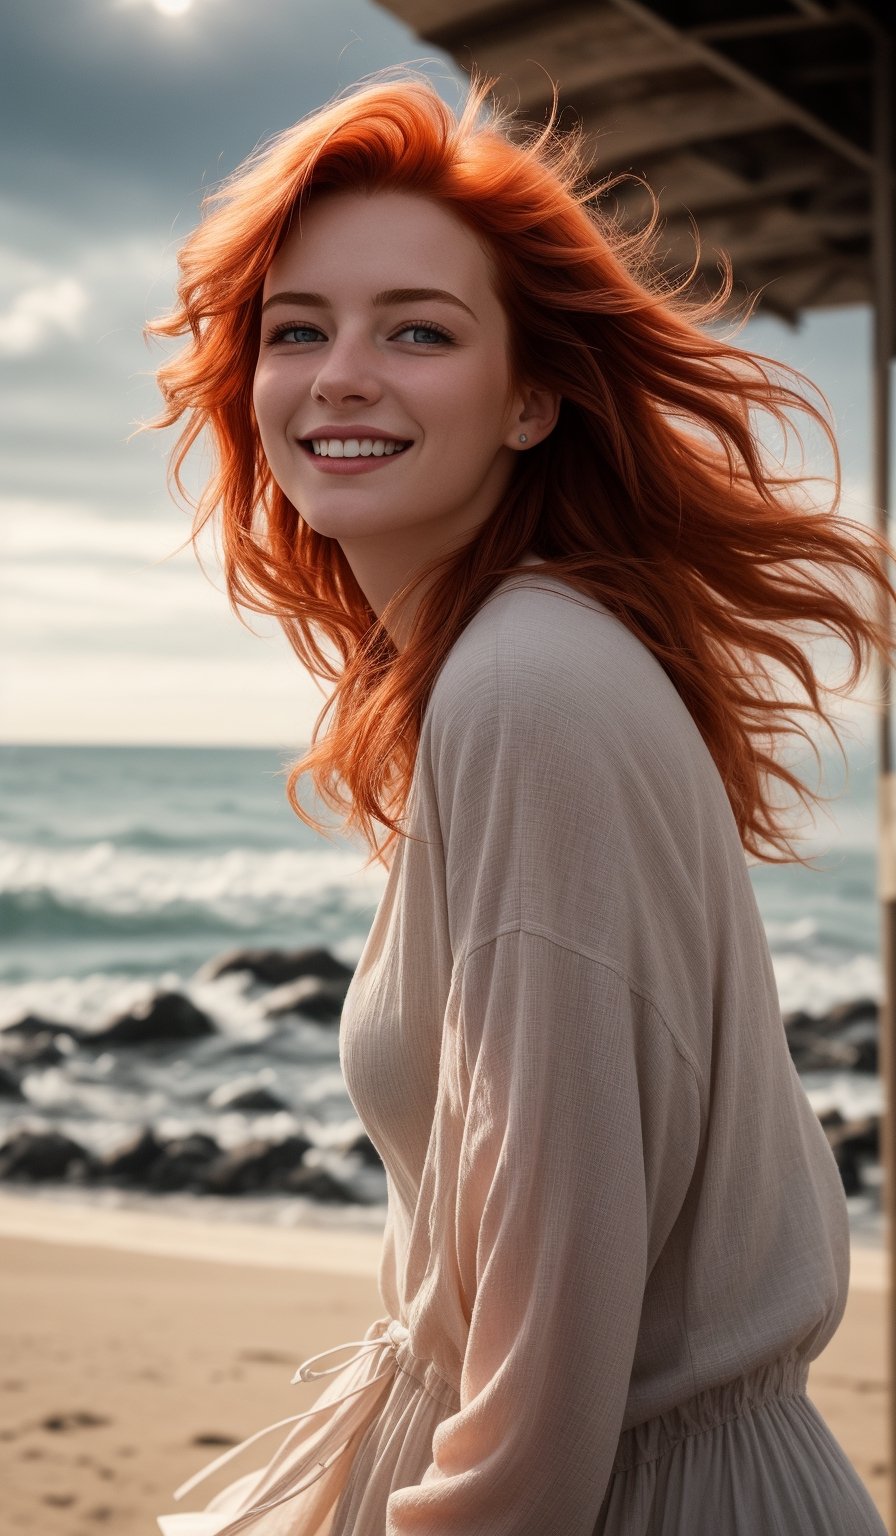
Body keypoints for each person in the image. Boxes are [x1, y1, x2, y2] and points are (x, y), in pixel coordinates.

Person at [147, 66, 895, 1536]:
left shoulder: (527, 684)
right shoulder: (510, 660)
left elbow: (551, 1380)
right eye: (297, 330)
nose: (340, 374)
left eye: (417, 331)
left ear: (535, 396)